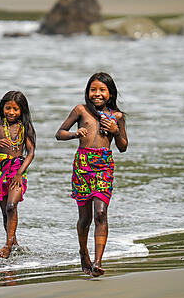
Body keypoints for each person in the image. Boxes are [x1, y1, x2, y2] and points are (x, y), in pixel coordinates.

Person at [55, 72, 128, 277]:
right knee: (85, 219)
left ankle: (97, 261)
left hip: (104, 166)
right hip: (82, 165)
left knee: (101, 213)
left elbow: (123, 146)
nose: (97, 94)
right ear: (88, 92)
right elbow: (59, 133)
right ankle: (83, 252)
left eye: (102, 90)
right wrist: (73, 134)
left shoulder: (118, 117)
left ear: (111, 93)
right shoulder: (81, 110)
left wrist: (115, 130)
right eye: (93, 89)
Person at [0, 90, 36, 258]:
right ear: (2, 107)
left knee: (11, 206)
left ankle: (7, 246)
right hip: (0, 169)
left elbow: (30, 153)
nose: (11, 112)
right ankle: (14, 243)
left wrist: (20, 173)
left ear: (22, 110)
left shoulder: (25, 127)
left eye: (15, 109)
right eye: (8, 108)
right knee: (5, 212)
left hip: (17, 170)